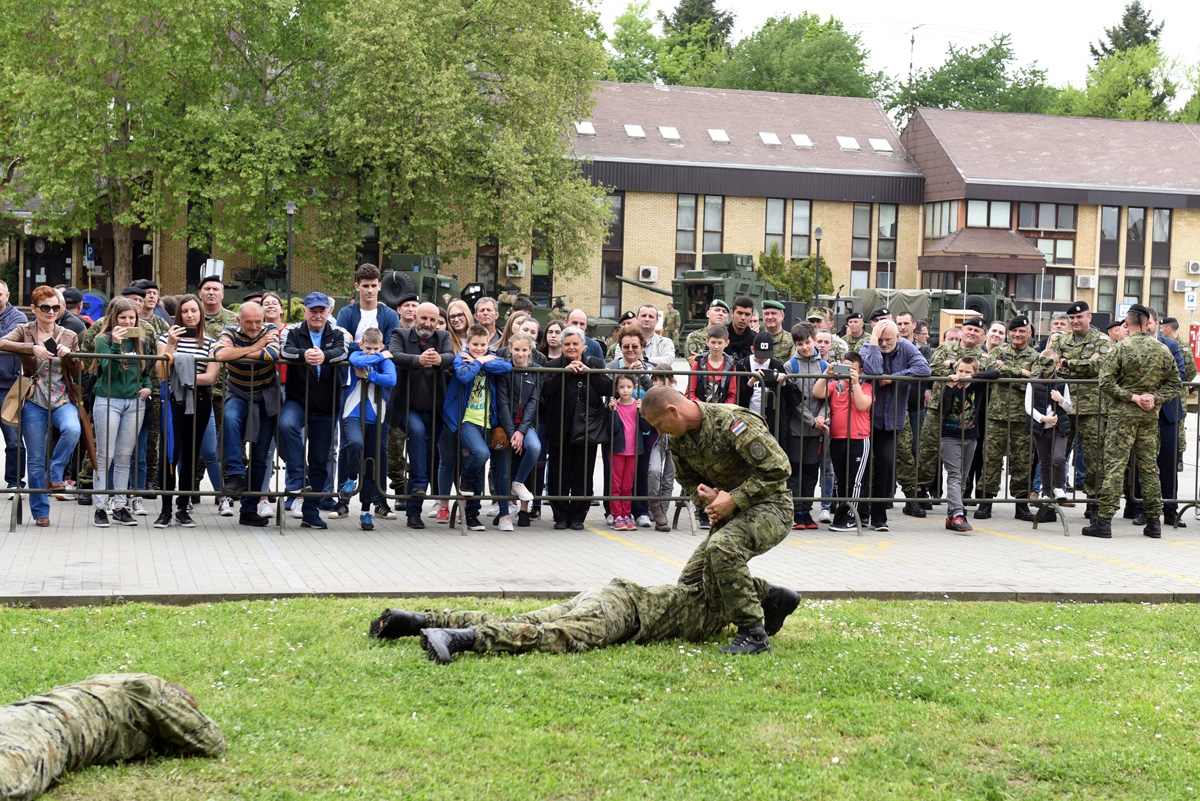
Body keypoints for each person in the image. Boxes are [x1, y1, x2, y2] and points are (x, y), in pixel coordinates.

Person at [641, 385, 793, 656]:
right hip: (731, 514)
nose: (660, 432)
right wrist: (709, 500)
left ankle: (753, 633)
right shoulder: (679, 440)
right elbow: (687, 480)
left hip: (771, 507)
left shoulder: (733, 422)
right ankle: (770, 597)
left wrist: (734, 498)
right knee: (691, 588)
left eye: (659, 425)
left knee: (722, 547)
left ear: (673, 410)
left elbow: (779, 468)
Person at [369, 578, 801, 664]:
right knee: (554, 637)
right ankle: (459, 637)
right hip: (621, 612)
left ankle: (416, 619)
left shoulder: (715, 594)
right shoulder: (726, 596)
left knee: (522, 618)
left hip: (605, 594)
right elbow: (778, 597)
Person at [0, 673, 224, 801]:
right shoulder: (151, 689)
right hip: (48, 730)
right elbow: (211, 742)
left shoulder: (108, 684)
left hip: (19, 713)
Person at [1084, 304, 1181, 539]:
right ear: (1148, 323)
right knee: (1149, 468)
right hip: (1149, 416)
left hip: (1122, 416)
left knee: (1115, 466)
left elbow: (1105, 382)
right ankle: (1154, 523)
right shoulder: (1162, 349)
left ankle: (1104, 521)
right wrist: (1154, 398)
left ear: (1127, 323)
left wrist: (1133, 397)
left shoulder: (1120, 348)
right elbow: (1175, 384)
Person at [0, 287, 82, 526]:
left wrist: (70, 356)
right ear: (34, 309)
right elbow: (2, 342)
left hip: (62, 398)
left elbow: (79, 370)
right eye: (45, 307)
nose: (51, 311)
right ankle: (40, 511)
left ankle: (55, 473)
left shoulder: (68, 335)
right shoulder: (24, 330)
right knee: (35, 458)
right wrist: (31, 348)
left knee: (72, 430)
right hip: (33, 399)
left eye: (55, 307)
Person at [278, 292, 349, 530]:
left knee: (320, 460)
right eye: (313, 310)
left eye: (321, 310)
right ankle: (299, 476)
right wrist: (304, 354)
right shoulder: (292, 331)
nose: (317, 315)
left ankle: (310, 512)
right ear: (305, 311)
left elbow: (343, 352)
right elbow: (285, 350)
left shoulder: (339, 333)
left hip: (327, 406)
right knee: (286, 425)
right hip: (298, 400)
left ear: (328, 311)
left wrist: (323, 356)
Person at [337, 264, 402, 520]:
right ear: (357, 287)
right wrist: (374, 354)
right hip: (351, 389)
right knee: (349, 445)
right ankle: (342, 500)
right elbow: (345, 346)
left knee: (379, 449)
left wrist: (367, 356)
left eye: (374, 285)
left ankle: (378, 501)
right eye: (365, 286)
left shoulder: (389, 314)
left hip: (379, 394)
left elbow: (392, 348)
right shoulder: (346, 312)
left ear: (380, 286)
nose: (370, 290)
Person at [211, 300, 281, 527]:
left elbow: (272, 354)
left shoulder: (270, 329)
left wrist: (238, 353)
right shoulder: (230, 331)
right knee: (230, 418)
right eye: (248, 322)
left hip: (265, 396)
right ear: (239, 320)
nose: (254, 326)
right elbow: (220, 354)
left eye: (258, 321)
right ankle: (235, 474)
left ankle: (249, 510)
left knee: (260, 457)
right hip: (238, 393)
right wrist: (256, 346)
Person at [155, 294, 221, 528]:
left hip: (200, 400)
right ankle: (165, 509)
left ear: (201, 313)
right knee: (169, 454)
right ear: (178, 315)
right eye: (185, 311)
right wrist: (171, 345)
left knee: (191, 454)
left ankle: (183, 508)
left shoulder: (211, 342)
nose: (190, 315)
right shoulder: (166, 337)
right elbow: (162, 372)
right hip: (173, 399)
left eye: (194, 310)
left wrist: (181, 377)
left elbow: (211, 377)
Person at [859, 319, 930, 532]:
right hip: (865, 418)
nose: (883, 343)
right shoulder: (868, 345)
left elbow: (923, 369)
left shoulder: (906, 347)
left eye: (888, 339)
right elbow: (872, 369)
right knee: (863, 467)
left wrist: (893, 378)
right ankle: (861, 513)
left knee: (885, 464)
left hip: (890, 420)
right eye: (879, 339)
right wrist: (873, 340)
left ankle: (879, 517)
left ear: (898, 337)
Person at [88, 298, 154, 527]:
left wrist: (148, 387)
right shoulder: (103, 340)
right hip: (109, 400)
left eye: (131, 318)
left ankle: (119, 505)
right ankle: (100, 507)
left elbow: (146, 371)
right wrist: (116, 345)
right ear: (114, 318)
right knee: (105, 455)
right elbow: (110, 372)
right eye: (122, 317)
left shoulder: (141, 342)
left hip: (135, 402)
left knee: (124, 456)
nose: (127, 322)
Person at [388, 301, 454, 527]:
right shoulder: (400, 334)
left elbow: (451, 356)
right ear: (416, 317)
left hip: (435, 411)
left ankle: (413, 512)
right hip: (407, 408)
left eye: (433, 320)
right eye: (424, 318)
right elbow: (394, 354)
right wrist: (418, 360)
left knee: (425, 458)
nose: (428, 323)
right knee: (416, 432)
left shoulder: (443, 337)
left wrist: (440, 360)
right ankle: (418, 487)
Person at [440, 323, 512, 530]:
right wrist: (480, 361)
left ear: (488, 343)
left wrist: (481, 362)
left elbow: (506, 367)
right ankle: (465, 480)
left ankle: (472, 514)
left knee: (480, 469)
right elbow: (464, 375)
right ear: (467, 344)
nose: (479, 349)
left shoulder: (492, 357)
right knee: (480, 454)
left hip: (486, 420)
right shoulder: (461, 357)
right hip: (466, 420)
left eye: (483, 345)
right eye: (475, 345)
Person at [980, 316, 1049, 522]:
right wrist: (1021, 373)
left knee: (1023, 461)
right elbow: (991, 370)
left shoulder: (1036, 356)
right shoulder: (998, 351)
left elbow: (1035, 381)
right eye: (1014, 331)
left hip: (1023, 417)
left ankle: (1021, 505)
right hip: (997, 416)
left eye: (1022, 331)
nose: (1017, 334)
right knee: (991, 459)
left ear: (1029, 333)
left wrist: (1007, 376)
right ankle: (985, 502)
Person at [541, 326, 610, 530]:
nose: (571, 347)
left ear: (583, 345)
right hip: (560, 427)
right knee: (558, 473)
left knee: (583, 473)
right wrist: (566, 373)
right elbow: (546, 390)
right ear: (562, 346)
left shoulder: (595, 363)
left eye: (575, 344)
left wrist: (589, 372)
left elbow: (608, 388)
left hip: (587, 429)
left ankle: (578, 516)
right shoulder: (553, 365)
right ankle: (560, 516)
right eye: (567, 344)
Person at [1051, 301, 1112, 522]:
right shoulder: (1060, 340)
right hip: (1062, 407)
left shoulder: (1101, 340)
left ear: (1089, 317)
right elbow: (1050, 364)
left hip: (1091, 409)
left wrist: (1067, 363)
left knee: (1094, 458)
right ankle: (1051, 500)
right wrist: (1083, 363)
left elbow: (1100, 366)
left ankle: (1094, 503)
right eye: (1072, 318)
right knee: (1056, 456)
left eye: (1079, 317)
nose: (1075, 321)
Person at [342, 327, 396, 531]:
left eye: (376, 349)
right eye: (368, 348)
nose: (371, 352)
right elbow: (356, 361)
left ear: (381, 345)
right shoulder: (361, 355)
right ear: (361, 345)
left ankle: (366, 511)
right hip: (353, 413)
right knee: (355, 443)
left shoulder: (385, 361)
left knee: (371, 464)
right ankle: (351, 478)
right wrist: (381, 356)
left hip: (377, 417)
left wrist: (369, 376)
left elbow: (391, 379)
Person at [811, 352, 872, 532]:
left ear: (860, 371)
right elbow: (817, 392)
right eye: (844, 368)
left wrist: (855, 383)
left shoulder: (866, 386)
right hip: (837, 439)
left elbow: (862, 405)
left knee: (855, 481)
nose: (847, 372)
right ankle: (842, 512)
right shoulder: (835, 385)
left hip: (859, 439)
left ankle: (852, 516)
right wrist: (827, 373)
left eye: (852, 369)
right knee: (842, 479)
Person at [938, 355, 998, 532]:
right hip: (950, 436)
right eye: (960, 371)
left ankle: (951, 518)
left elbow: (995, 373)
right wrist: (949, 388)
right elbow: (944, 410)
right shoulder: (950, 385)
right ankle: (958, 513)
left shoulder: (978, 385)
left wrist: (972, 378)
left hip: (971, 437)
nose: (962, 374)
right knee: (954, 475)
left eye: (967, 372)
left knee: (963, 478)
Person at [495, 332, 542, 527]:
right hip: (504, 426)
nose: (520, 354)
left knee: (535, 447)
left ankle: (519, 482)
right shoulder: (504, 369)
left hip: (525, 426)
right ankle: (504, 513)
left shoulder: (536, 370)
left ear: (530, 350)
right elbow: (502, 402)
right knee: (502, 467)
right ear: (510, 349)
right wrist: (511, 431)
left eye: (524, 350)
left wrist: (521, 431)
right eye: (516, 349)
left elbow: (533, 402)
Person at [783, 323, 825, 530]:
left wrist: (822, 416)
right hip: (796, 429)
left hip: (817, 431)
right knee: (795, 471)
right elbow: (793, 401)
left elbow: (828, 396)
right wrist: (811, 419)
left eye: (807, 342)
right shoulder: (790, 366)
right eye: (800, 344)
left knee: (810, 471)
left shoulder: (824, 366)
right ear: (795, 345)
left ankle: (807, 511)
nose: (805, 347)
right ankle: (796, 511)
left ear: (814, 340)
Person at [1025, 347, 1073, 514]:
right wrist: (1043, 418)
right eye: (1042, 364)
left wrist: (1060, 400)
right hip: (1041, 428)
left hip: (1059, 428)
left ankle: (1059, 487)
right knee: (1044, 462)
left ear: (1057, 365)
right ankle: (1046, 492)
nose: (1045, 368)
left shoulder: (1062, 383)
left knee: (1059, 458)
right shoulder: (1033, 382)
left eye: (1049, 364)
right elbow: (1028, 406)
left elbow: (1069, 407)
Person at [605, 373, 649, 531]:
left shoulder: (638, 405)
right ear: (616, 389)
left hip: (633, 450)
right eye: (622, 387)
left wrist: (641, 412)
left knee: (627, 486)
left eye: (629, 387)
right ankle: (617, 516)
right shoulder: (613, 406)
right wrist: (612, 411)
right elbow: (612, 429)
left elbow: (646, 427)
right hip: (617, 450)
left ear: (634, 388)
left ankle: (626, 515)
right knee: (616, 485)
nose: (625, 390)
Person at [0, 280, 28, 494]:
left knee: (13, 439)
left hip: (8, 386)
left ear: (7, 296)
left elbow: (7, 340)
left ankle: (15, 482)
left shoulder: (18, 318)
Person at [645, 365, 677, 532]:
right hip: (656, 441)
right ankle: (655, 506)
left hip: (675, 441)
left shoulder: (679, 397)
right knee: (654, 470)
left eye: (662, 379)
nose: (658, 383)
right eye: (655, 379)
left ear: (671, 381)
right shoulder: (651, 398)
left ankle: (662, 514)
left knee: (669, 478)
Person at [686, 324, 737, 405]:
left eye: (720, 343)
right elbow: (690, 393)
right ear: (707, 342)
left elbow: (732, 395)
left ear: (727, 343)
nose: (716, 346)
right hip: (700, 407)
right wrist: (704, 407)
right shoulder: (698, 363)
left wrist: (723, 408)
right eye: (713, 342)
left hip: (723, 409)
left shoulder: (731, 365)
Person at [726, 296, 757, 361]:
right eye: (739, 313)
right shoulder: (719, 336)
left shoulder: (756, 340)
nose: (743, 318)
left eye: (747, 314)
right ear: (732, 313)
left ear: (751, 316)